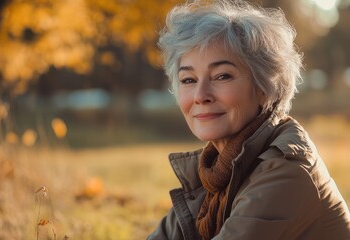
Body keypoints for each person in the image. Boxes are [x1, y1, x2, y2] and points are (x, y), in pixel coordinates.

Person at [148, 0, 350, 239]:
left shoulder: (286, 172)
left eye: (222, 76)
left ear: (264, 87)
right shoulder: (216, 171)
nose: (200, 96)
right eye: (188, 80)